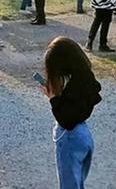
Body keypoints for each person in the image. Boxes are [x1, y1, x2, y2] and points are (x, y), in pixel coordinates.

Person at [40, 37, 101, 189]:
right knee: (78, 183)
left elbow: (66, 120)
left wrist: (53, 98)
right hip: (84, 135)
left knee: (69, 185)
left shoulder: (70, 89)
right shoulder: (85, 79)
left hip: (69, 138)